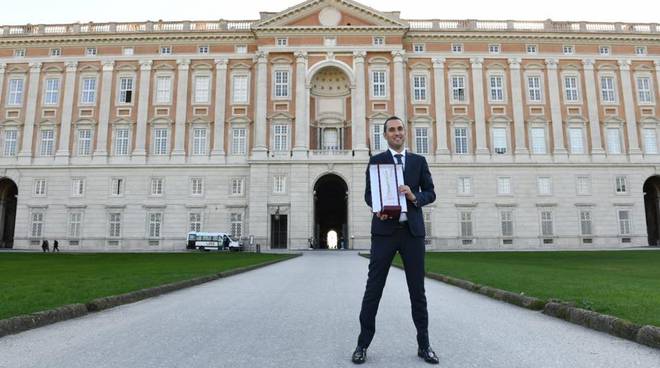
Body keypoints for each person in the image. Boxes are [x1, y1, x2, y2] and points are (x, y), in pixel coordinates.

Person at [352, 116, 439, 365]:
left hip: (412, 233)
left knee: (417, 292)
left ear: (405, 132)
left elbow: (431, 192)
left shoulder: (418, 161)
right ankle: (362, 344)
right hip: (384, 232)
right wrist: (376, 207)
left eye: (400, 129)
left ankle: (424, 345)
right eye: (392, 130)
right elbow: (369, 194)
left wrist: (414, 196)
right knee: (373, 290)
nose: (397, 133)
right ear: (385, 135)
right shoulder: (376, 160)